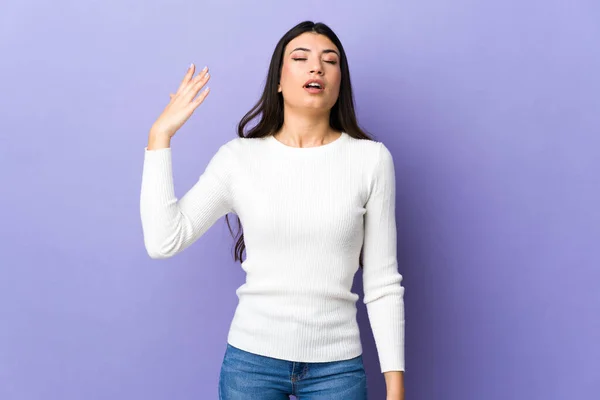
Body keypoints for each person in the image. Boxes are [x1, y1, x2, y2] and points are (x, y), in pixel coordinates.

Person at [140, 20, 405, 400]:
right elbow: (163, 240)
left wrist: (395, 390)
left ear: (339, 82)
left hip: (338, 371)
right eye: (301, 58)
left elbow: (382, 283)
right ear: (278, 81)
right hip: (252, 366)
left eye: (330, 61)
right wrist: (159, 136)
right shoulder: (239, 159)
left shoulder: (371, 160)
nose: (317, 67)